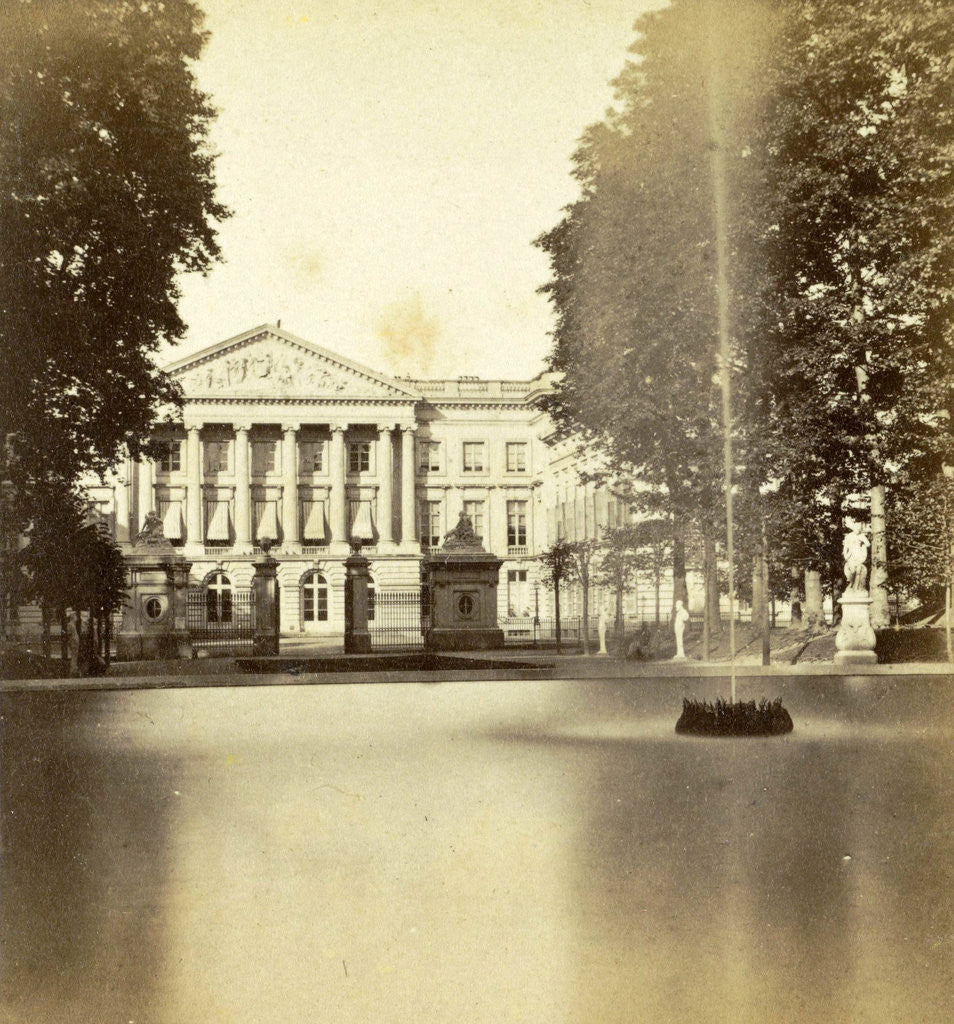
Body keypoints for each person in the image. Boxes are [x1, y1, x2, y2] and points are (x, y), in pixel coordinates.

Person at [843, 523, 870, 591]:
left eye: (859, 529)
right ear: (854, 528)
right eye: (857, 528)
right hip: (851, 555)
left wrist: (862, 541)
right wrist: (845, 555)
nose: (858, 530)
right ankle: (851, 584)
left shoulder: (861, 536)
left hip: (859, 555)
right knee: (853, 571)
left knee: (858, 571)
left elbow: (868, 544)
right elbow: (845, 547)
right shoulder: (849, 536)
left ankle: (855, 588)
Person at [65, 611, 80, 677]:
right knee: (74, 656)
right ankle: (73, 670)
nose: (76, 618)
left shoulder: (73, 624)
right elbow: (69, 634)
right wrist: (72, 642)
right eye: (75, 616)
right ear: (72, 617)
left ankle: (74, 668)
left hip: (75, 643)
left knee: (75, 656)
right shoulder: (70, 624)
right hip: (73, 643)